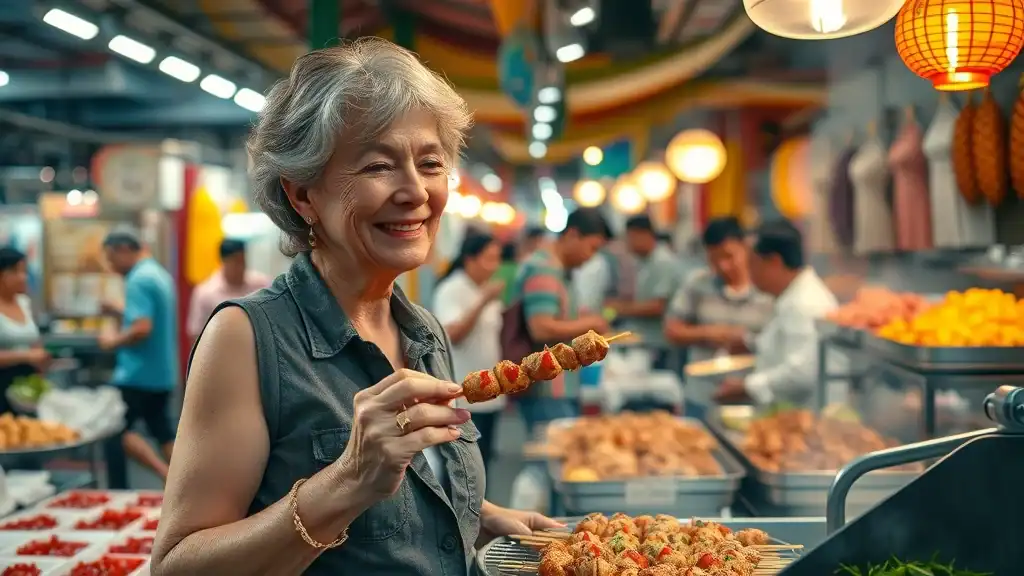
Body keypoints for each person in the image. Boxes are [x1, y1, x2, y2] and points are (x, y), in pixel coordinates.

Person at [150, 38, 560, 576]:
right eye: (377, 166)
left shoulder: (424, 332)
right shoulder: (247, 339)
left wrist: (479, 515)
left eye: (431, 163)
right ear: (303, 196)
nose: (415, 190)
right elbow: (178, 566)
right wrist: (347, 479)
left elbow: (400, 493)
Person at [714, 219, 838, 409]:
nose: (750, 273)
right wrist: (751, 344)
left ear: (774, 262)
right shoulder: (792, 297)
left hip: (805, 418)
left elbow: (801, 374)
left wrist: (746, 387)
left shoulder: (803, 304)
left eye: (752, 264)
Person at [508, 207, 609, 436]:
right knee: (552, 461)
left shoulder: (559, 269)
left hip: (559, 385)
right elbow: (541, 327)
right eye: (592, 248)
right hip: (548, 388)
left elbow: (560, 316)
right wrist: (591, 324)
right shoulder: (544, 269)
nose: (591, 257)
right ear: (572, 235)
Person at [665, 217, 774, 417]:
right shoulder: (698, 284)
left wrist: (747, 341)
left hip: (751, 397)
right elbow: (672, 330)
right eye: (715, 260)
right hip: (702, 395)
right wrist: (709, 333)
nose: (723, 266)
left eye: (729, 257)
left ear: (746, 247)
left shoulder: (767, 289)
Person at [98, 228, 178, 480]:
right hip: (160, 372)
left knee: (117, 431)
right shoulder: (157, 274)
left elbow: (143, 328)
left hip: (137, 374)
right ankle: (183, 482)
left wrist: (112, 341)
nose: (111, 265)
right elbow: (145, 319)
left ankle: (165, 478)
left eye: (111, 258)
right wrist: (121, 312)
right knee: (163, 433)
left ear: (123, 250)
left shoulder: (137, 279)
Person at [432, 233, 504, 467]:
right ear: (470, 260)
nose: (495, 266)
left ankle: (481, 506)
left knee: (484, 465)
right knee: (464, 469)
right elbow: (454, 334)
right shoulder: (452, 289)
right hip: (463, 396)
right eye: (489, 259)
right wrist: (483, 301)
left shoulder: (484, 289)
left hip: (490, 393)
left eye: (497, 259)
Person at [606, 215, 681, 365]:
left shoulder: (663, 261)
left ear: (645, 235)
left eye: (631, 238)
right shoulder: (642, 261)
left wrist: (617, 308)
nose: (628, 244)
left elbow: (657, 306)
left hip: (660, 342)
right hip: (644, 340)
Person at [186, 239, 270, 344]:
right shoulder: (205, 293)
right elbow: (195, 333)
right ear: (224, 261)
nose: (241, 267)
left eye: (243, 261)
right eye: (236, 262)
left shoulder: (261, 285)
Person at [0, 247, 49, 413]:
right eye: (16, 271)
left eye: (24, 271)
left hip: (26, 387)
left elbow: (34, 340)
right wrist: (26, 356)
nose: (24, 278)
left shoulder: (24, 303)